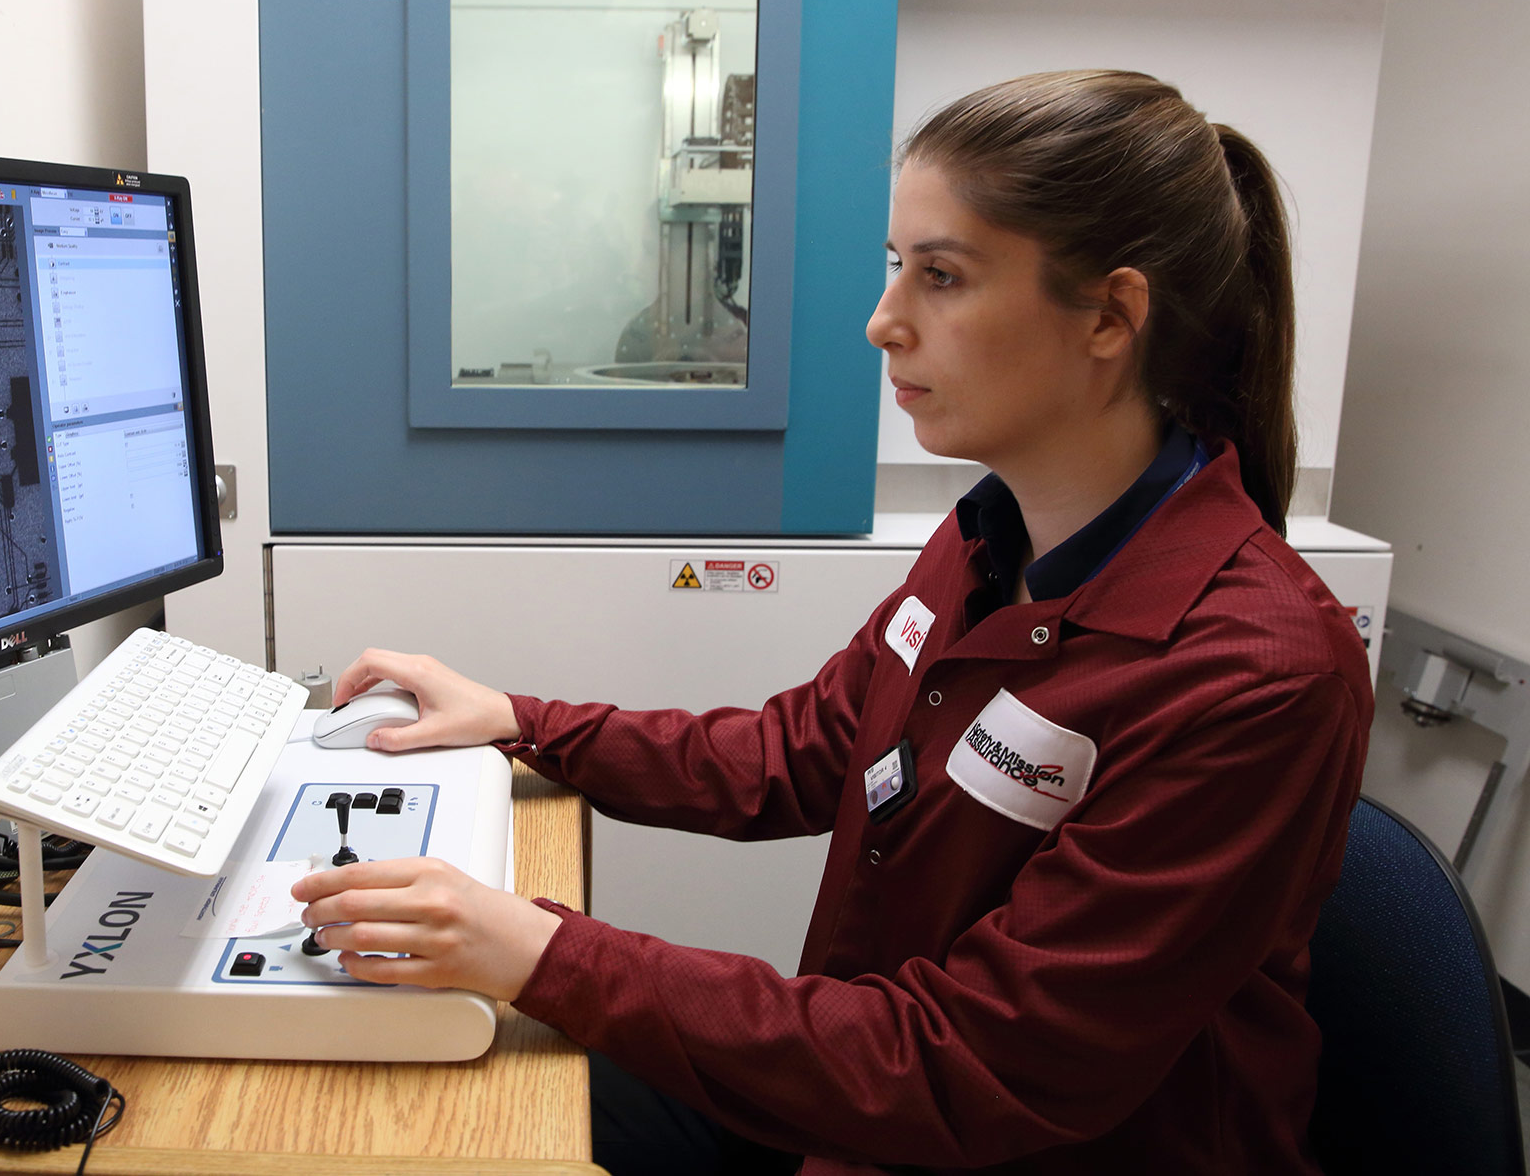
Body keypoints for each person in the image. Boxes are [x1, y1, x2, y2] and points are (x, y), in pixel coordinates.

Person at [292, 70, 1372, 1175]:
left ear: (1108, 316)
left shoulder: (1254, 674)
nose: (881, 322)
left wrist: (545, 951)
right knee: (433, 1106)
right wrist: (521, 720)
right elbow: (794, 752)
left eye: (940, 277)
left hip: (950, 1120)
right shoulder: (990, 538)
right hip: (858, 1103)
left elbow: (973, 1067)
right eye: (894, 267)